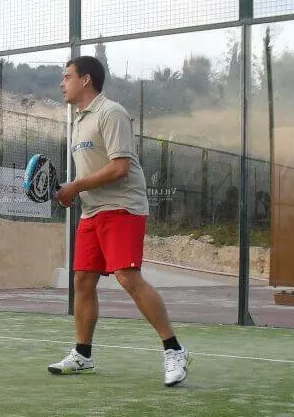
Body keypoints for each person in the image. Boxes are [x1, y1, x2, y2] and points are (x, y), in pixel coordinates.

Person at [49, 56, 190, 386]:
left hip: (123, 207)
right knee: (83, 281)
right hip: (92, 211)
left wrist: (76, 186)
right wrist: (72, 191)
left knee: (127, 277)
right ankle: (83, 355)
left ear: (86, 80)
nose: (62, 83)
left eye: (66, 76)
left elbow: (119, 168)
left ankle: (174, 350)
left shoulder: (110, 112)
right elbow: (89, 171)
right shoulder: (78, 120)